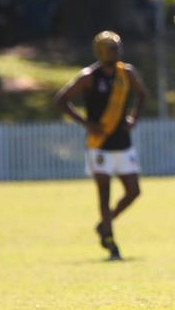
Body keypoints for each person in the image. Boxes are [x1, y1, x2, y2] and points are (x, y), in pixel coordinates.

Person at [55, 31, 148, 260]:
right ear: (101, 51)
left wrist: (134, 117)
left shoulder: (126, 73)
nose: (116, 52)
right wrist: (86, 123)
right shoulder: (89, 76)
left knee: (133, 191)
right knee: (104, 193)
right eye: (112, 49)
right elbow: (62, 99)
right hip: (99, 144)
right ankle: (110, 240)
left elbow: (142, 95)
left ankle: (105, 224)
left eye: (118, 48)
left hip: (122, 143)